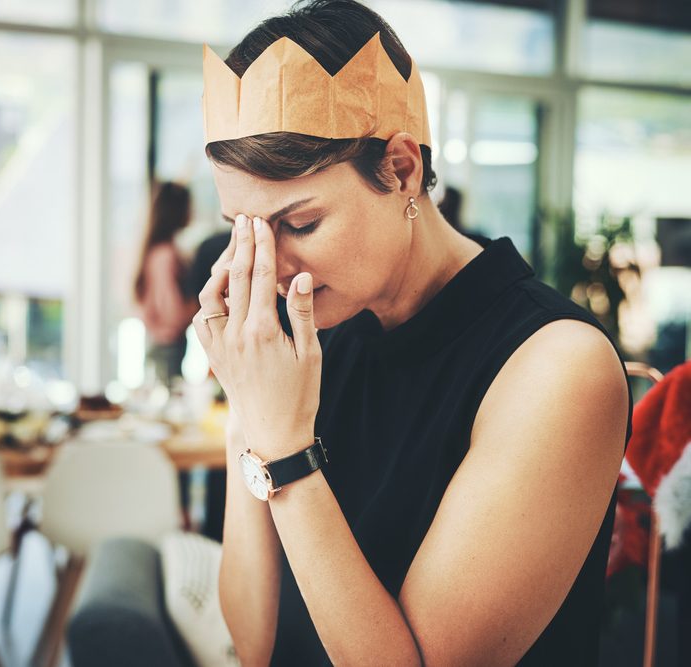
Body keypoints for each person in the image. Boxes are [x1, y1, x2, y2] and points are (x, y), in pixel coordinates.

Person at [192, 1, 630, 665]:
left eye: (299, 224)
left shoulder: (558, 367)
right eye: (245, 228)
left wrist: (285, 451)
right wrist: (248, 409)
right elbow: (255, 642)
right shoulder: (313, 337)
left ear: (402, 169)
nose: (272, 269)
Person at [134, 181, 198, 386]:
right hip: (167, 347)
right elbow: (171, 310)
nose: (193, 211)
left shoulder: (159, 251)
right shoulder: (165, 255)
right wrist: (198, 308)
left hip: (164, 345)